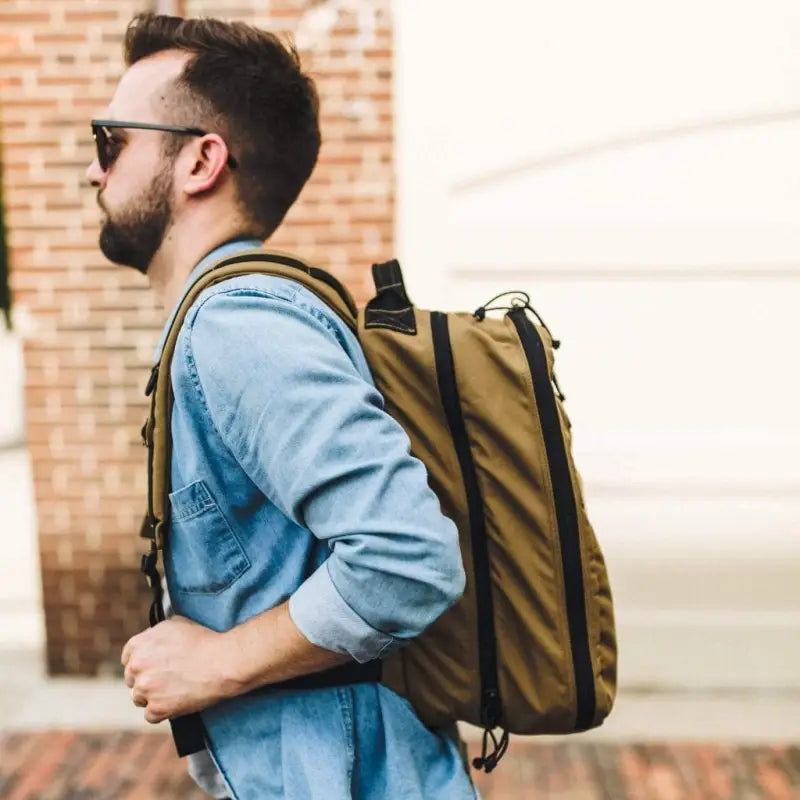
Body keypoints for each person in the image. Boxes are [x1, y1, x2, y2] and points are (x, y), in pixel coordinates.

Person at [85, 12, 477, 800]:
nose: (93, 174)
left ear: (200, 160)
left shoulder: (239, 326)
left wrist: (214, 663)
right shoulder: (232, 317)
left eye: (110, 142)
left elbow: (407, 557)